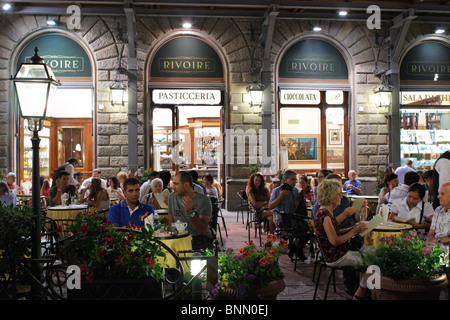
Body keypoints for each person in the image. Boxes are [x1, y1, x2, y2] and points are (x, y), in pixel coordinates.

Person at [313, 179, 374, 299]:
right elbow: (334, 241)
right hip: (336, 256)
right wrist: (353, 231)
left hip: (335, 254)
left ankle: (365, 290)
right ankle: (362, 292)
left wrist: (353, 228)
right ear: (330, 196)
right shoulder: (324, 214)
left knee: (371, 252)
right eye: (338, 194)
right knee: (374, 260)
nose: (341, 197)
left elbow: (334, 229)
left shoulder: (325, 212)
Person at [168, 171, 213, 250]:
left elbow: (202, 230)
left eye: (176, 184)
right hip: (180, 239)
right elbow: (171, 224)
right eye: (173, 183)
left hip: (200, 240)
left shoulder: (204, 200)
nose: (173, 187)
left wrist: (190, 213)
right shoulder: (172, 197)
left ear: (186, 185)